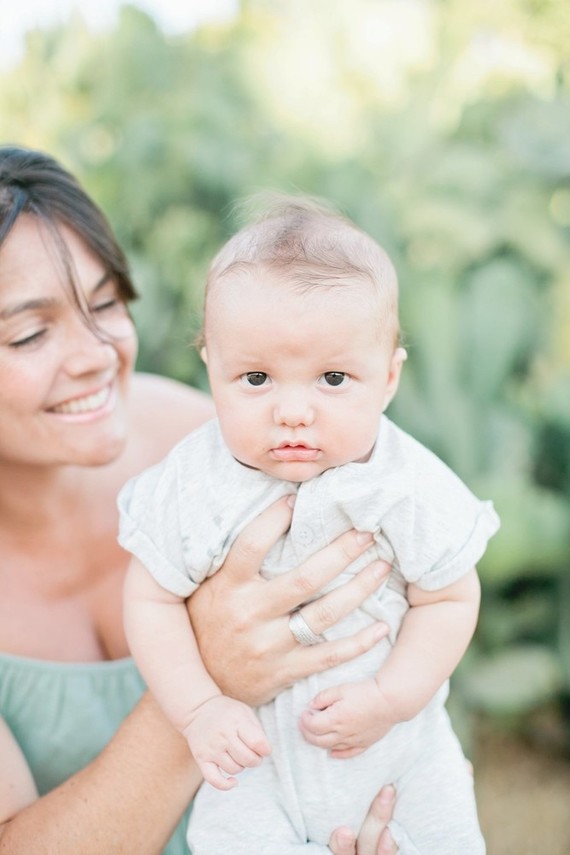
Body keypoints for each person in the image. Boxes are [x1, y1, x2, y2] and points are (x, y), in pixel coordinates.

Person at [0, 146, 401, 854]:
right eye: (30, 333)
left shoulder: (201, 440)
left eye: (104, 304)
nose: (97, 354)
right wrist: (211, 678)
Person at [119, 196, 500, 853]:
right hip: (254, 760)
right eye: (257, 377)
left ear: (387, 378)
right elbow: (150, 597)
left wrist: (390, 695)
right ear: (211, 367)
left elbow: (450, 594)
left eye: (332, 377)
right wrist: (200, 708)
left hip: (397, 751)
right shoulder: (194, 480)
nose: (293, 410)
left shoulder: (405, 480)